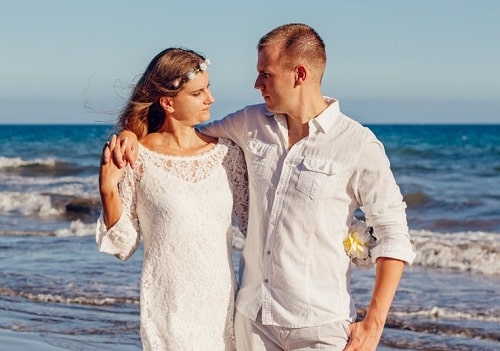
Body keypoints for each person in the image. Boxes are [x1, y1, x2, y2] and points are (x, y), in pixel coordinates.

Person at [109, 23, 416, 351]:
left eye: (265, 74)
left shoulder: (357, 144)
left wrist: (373, 323)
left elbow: (394, 234)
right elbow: (183, 137)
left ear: (299, 74)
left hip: (320, 327)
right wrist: (132, 134)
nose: (256, 84)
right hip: (251, 324)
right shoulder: (249, 123)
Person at [96, 48, 248, 351]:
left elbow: (256, 224)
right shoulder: (137, 158)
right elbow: (123, 245)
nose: (210, 98)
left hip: (223, 313)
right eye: (198, 92)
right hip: (168, 312)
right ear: (168, 103)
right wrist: (108, 189)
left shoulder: (228, 155)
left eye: (209, 87)